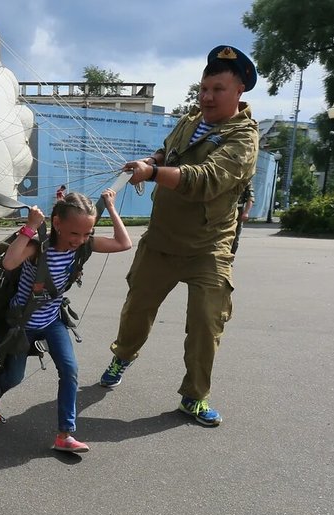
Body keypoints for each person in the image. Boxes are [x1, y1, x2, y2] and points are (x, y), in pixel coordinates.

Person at [98, 45, 260, 427]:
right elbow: (166, 153)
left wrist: (153, 174)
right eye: (204, 88)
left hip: (208, 248)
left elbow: (205, 180)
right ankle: (123, 355)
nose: (207, 96)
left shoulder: (244, 139)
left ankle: (194, 397)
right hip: (162, 241)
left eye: (218, 89)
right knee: (137, 309)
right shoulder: (189, 121)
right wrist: (150, 162)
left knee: (207, 323)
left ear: (239, 92)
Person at [0, 189, 132, 453]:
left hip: (52, 320)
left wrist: (110, 207)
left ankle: (65, 434)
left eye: (87, 233)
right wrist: (30, 227)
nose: (80, 240)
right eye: (75, 233)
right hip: (24, 323)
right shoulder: (38, 247)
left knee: (69, 369)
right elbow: (9, 263)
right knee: (14, 377)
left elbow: (124, 243)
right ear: (58, 223)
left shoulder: (85, 245)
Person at [231, 182, 254, 255]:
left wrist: (246, 212)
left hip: (238, 210)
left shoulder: (246, 181)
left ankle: (231, 256)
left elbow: (250, 198)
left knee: (235, 236)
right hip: (224, 210)